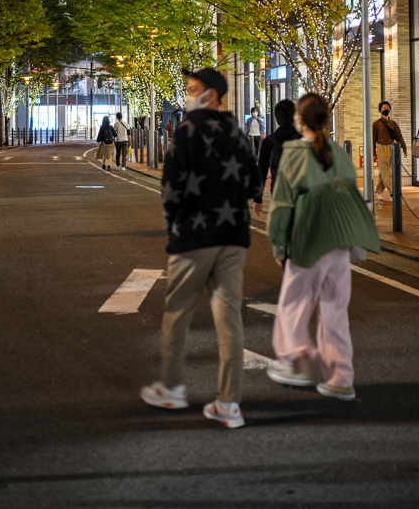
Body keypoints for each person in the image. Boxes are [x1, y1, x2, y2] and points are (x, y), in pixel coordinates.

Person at [141, 66, 263, 429]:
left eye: (193, 88)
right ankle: (229, 404)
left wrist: (174, 224)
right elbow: (255, 183)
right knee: (229, 319)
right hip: (233, 236)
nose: (188, 94)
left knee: (178, 311)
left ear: (210, 95)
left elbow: (171, 188)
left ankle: (174, 387)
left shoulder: (187, 131)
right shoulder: (238, 134)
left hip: (194, 236)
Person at [266, 93, 380, 401]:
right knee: (334, 310)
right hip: (340, 240)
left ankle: (294, 362)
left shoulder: (293, 153)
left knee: (294, 303)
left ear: (298, 121)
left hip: (307, 237)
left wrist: (279, 242)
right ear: (326, 119)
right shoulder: (338, 153)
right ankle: (341, 377)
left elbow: (283, 204)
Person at [256, 98, 301, 200]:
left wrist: (257, 199)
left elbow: (262, 172)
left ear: (276, 118)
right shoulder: (302, 139)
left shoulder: (269, 141)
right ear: (294, 117)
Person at [372, 100, 407, 203]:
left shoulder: (393, 123)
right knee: (387, 171)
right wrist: (373, 153)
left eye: (387, 108)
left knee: (384, 171)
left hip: (392, 148)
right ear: (380, 110)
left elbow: (399, 136)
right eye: (384, 108)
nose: (386, 110)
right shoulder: (376, 124)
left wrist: (404, 147)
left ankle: (378, 192)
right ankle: (393, 193)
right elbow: (373, 139)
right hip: (381, 148)